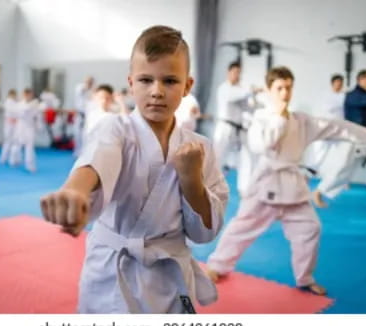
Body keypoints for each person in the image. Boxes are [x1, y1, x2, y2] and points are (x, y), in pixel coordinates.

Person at [40, 25, 229, 313]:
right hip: (113, 273)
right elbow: (98, 157)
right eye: (145, 80)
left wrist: (191, 180)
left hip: (170, 272)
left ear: (187, 86)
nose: (157, 91)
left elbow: (204, 234)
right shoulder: (117, 129)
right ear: (131, 84)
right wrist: (75, 190)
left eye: (169, 80)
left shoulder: (200, 148)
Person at [206, 66, 366, 296]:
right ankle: (216, 266)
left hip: (293, 186)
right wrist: (279, 120)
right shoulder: (260, 118)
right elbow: (261, 146)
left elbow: (335, 127)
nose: (284, 93)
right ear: (269, 90)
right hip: (267, 185)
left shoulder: (301, 121)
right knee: (242, 226)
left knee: (310, 228)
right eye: (279, 88)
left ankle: (304, 278)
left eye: (288, 88)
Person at [312, 69, 366, 217]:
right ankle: (318, 191)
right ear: (360, 80)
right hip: (354, 140)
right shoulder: (351, 96)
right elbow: (361, 101)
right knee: (342, 172)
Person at [213, 62, 262, 195]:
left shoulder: (241, 90)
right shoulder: (224, 88)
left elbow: (249, 107)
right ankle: (211, 186)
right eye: (235, 72)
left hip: (238, 129)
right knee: (218, 157)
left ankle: (244, 189)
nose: (237, 75)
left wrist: (255, 98)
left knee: (246, 156)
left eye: (239, 73)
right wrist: (252, 90)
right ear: (228, 73)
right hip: (224, 127)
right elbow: (235, 96)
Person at [10, 88, 41, 172]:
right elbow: (16, 115)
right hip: (20, 127)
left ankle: (30, 165)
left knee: (29, 146)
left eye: (30, 94)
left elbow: (37, 117)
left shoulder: (35, 104)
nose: (28, 96)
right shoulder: (19, 104)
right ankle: (14, 160)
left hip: (30, 127)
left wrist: (38, 127)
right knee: (17, 145)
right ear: (24, 95)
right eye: (26, 94)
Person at [0, 89, 19, 164]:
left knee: (15, 142)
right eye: (13, 94)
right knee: (8, 142)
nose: (14, 96)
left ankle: (13, 159)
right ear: (10, 95)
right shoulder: (8, 102)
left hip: (15, 124)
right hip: (9, 124)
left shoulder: (15, 102)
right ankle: (3, 158)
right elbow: (13, 112)